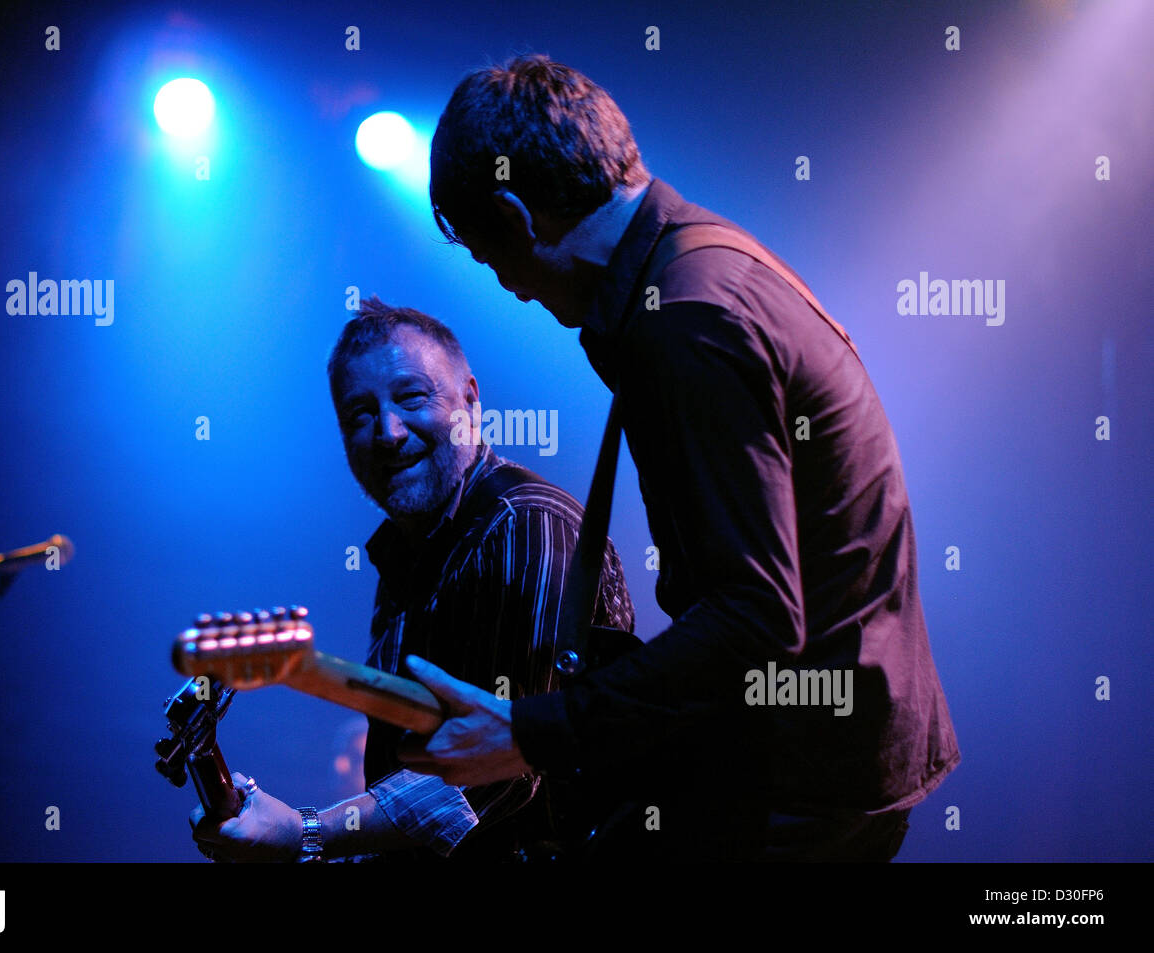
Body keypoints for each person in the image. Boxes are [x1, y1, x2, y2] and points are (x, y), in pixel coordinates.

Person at [396, 54, 960, 860]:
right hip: (830, 743)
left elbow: (757, 616)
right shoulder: (704, 260)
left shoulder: (685, 320)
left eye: (493, 261)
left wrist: (532, 730)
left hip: (801, 779)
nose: (514, 291)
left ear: (519, 218)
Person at [189, 296, 634, 861]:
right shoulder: (408, 556)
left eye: (411, 397)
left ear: (470, 399)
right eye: (360, 416)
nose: (389, 432)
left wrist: (308, 832)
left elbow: (502, 769)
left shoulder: (526, 522)